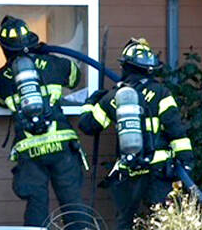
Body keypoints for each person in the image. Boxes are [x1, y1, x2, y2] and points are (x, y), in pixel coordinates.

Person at [78, 38, 194, 230]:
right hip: (158, 171)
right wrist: (187, 163)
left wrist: (92, 100)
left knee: (125, 223)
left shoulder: (113, 96)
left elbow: (88, 125)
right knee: (162, 221)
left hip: (129, 171)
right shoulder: (161, 93)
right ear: (150, 68)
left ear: (125, 66)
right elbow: (176, 130)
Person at [0, 15, 89, 228]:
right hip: (62, 145)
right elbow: (75, 77)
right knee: (72, 203)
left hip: (30, 149)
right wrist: (47, 55)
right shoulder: (54, 63)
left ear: (5, 48)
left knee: (36, 206)